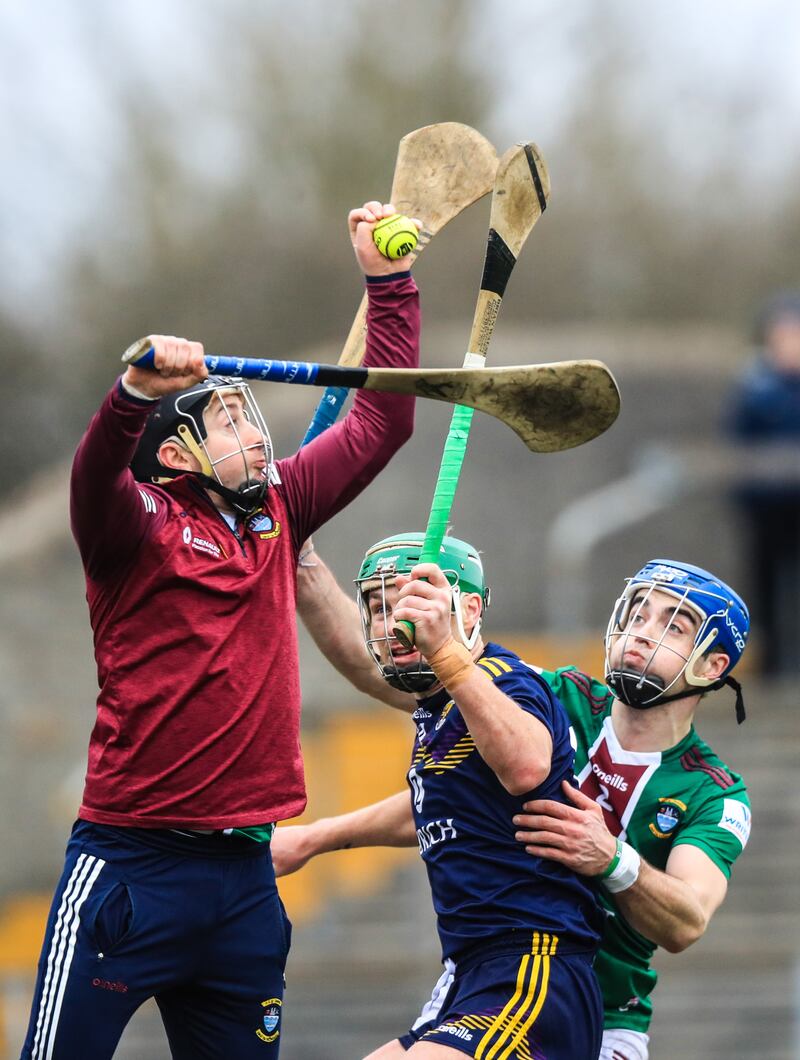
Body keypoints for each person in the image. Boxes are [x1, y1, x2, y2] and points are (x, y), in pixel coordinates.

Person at [21, 201, 420, 1060]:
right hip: (130, 867)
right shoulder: (133, 528)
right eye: (225, 421)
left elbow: (385, 420)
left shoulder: (281, 504)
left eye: (248, 414)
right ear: (173, 456)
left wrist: (389, 285)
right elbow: (95, 475)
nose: (253, 430)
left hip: (247, 877)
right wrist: (133, 396)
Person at [290, 549, 752, 1060]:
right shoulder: (557, 696)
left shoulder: (713, 791)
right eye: (637, 613)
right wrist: (303, 561)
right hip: (487, 975)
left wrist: (613, 859)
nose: (643, 630)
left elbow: (686, 920)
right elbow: (441, 787)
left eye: (674, 624)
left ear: (714, 666)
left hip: (602, 1012)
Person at [277, 532, 605, 1059]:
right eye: (379, 608)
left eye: (412, 604)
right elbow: (435, 804)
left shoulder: (506, 682)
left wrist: (447, 654)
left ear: (469, 609)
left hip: (534, 965)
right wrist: (315, 838)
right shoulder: (438, 705)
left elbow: (525, 766)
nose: (394, 623)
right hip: (467, 972)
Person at [723, 289, 800, 677]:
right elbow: (738, 444)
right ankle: (771, 667)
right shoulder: (757, 386)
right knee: (765, 586)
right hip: (766, 507)